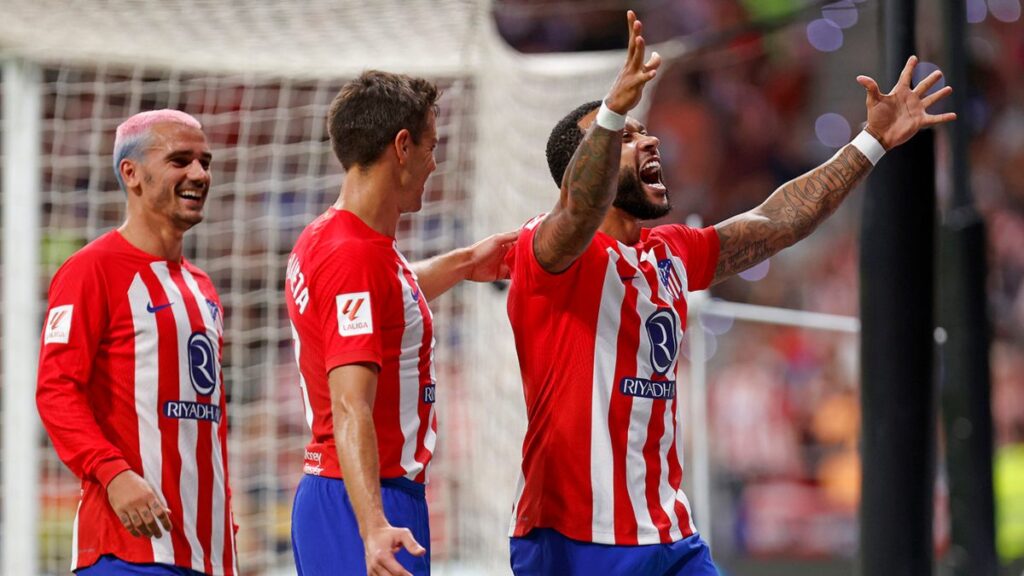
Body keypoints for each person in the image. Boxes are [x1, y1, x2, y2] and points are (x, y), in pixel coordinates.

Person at [505, 10, 956, 575]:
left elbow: (776, 223)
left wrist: (869, 143)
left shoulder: (668, 252)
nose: (649, 142)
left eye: (644, 131)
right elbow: (575, 210)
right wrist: (613, 109)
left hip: (669, 533)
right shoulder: (549, 254)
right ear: (585, 167)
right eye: (627, 137)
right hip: (573, 538)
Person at [286, 70, 516, 576]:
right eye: (431, 147)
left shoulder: (333, 237)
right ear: (402, 146)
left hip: (350, 493)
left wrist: (462, 264)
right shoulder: (355, 258)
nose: (435, 164)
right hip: (366, 501)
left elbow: (385, 300)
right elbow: (351, 406)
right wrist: (372, 528)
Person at [36, 110, 237, 575]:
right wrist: (114, 473)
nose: (199, 174)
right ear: (132, 174)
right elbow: (55, 391)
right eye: (180, 160)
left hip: (208, 553)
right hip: (128, 551)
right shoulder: (91, 269)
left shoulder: (202, 287)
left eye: (205, 162)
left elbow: (206, 418)